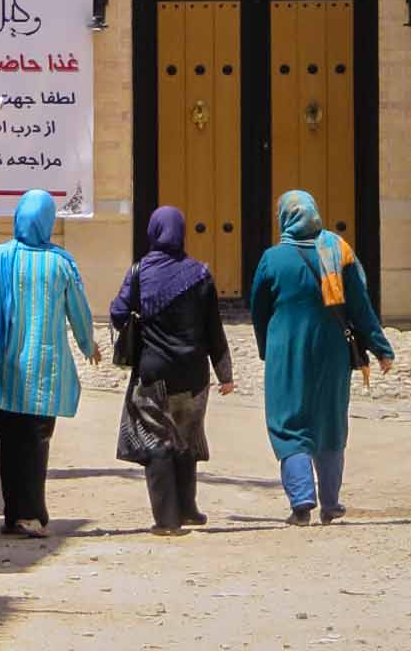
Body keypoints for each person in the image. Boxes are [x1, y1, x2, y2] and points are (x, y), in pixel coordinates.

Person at [0, 189, 100, 536]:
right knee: (37, 443)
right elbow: (79, 311)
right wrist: (87, 344)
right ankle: (32, 516)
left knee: (10, 445)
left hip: (6, 369)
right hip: (44, 373)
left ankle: (13, 515)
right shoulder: (61, 263)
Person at [250, 189, 393, 526]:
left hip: (287, 349)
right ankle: (331, 503)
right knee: (329, 422)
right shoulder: (337, 252)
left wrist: (265, 348)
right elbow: (360, 307)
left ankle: (301, 503)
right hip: (331, 349)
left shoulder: (272, 259)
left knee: (288, 423)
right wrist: (381, 348)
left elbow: (258, 310)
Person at [109, 204, 235, 537]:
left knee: (157, 440)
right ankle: (189, 509)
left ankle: (167, 520)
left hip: (154, 373)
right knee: (186, 438)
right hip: (194, 374)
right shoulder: (200, 274)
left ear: (153, 231)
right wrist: (226, 374)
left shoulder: (140, 272)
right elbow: (214, 329)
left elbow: (118, 313)